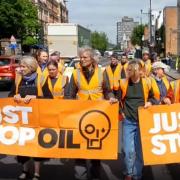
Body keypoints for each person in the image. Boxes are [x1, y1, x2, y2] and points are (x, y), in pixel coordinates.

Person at [65, 47, 117, 180]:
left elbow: (108, 90)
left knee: (95, 149)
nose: (81, 59)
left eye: (85, 57)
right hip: (80, 115)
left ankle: (95, 176)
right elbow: (69, 94)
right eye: (81, 57)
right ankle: (80, 176)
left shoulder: (101, 72)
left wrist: (110, 97)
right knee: (80, 149)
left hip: (97, 115)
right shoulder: (76, 73)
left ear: (92, 59)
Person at [119, 60, 157, 180]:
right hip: (128, 121)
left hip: (143, 121)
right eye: (128, 69)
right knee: (128, 150)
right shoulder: (123, 83)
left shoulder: (147, 82)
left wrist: (150, 102)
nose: (129, 72)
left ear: (139, 70)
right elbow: (116, 99)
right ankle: (128, 172)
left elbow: (155, 97)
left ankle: (137, 175)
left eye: (132, 69)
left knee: (139, 150)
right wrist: (121, 112)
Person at [8, 56, 45, 180]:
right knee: (22, 146)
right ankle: (25, 170)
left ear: (30, 68)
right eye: (21, 66)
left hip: (37, 119)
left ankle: (37, 173)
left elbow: (49, 99)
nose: (20, 69)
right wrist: (15, 96)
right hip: (22, 120)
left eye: (23, 66)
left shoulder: (41, 79)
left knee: (36, 146)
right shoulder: (18, 80)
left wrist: (35, 98)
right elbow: (10, 95)